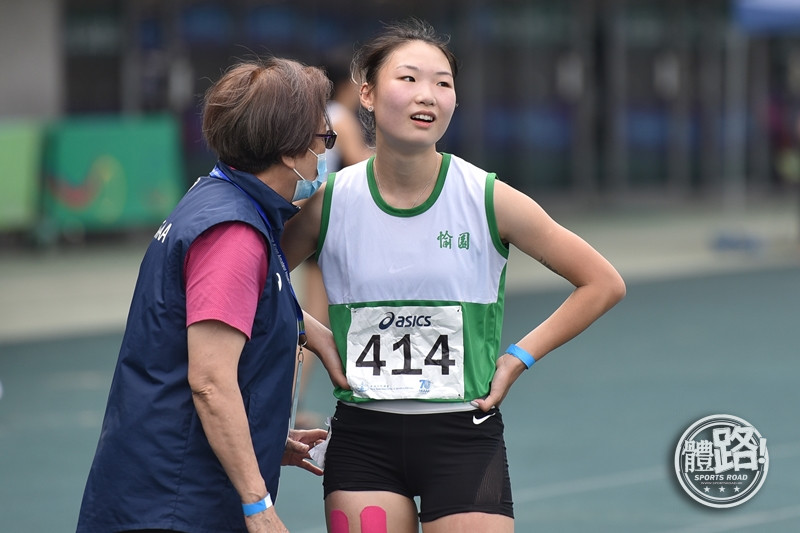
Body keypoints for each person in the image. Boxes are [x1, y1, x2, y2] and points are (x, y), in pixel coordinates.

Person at [281, 18, 626, 533]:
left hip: (465, 438)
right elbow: (253, 281)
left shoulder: (487, 197)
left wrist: (518, 357)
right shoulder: (328, 202)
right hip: (363, 440)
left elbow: (602, 282)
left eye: (443, 83)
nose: (428, 95)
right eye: (409, 79)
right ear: (368, 95)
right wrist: (317, 336)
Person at [76, 57, 348, 533]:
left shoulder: (217, 200)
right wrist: (257, 504)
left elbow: (235, 312)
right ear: (289, 151)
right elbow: (210, 381)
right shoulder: (234, 233)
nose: (323, 153)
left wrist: (262, 440)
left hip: (158, 481)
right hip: (177, 503)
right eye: (323, 140)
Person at [295, 54, 374, 429]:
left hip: (311, 220)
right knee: (313, 321)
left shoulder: (314, 114)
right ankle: (289, 407)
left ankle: (289, 405)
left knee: (310, 316)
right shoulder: (339, 116)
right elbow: (361, 161)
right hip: (326, 225)